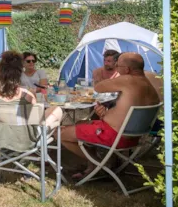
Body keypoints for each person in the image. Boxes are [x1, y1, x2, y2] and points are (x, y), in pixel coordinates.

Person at [60, 52, 161, 180]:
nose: (116, 68)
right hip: (132, 136)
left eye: (118, 65)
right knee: (80, 123)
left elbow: (99, 87)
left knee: (61, 133)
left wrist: (105, 75)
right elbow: (126, 112)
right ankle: (95, 166)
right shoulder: (148, 85)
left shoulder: (127, 80)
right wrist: (106, 113)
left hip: (114, 136)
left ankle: (99, 165)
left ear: (127, 69)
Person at [0, 51, 63, 126]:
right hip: (25, 137)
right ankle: (54, 135)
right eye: (28, 61)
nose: (31, 62)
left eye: (33, 60)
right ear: (21, 70)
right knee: (57, 110)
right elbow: (35, 120)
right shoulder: (27, 94)